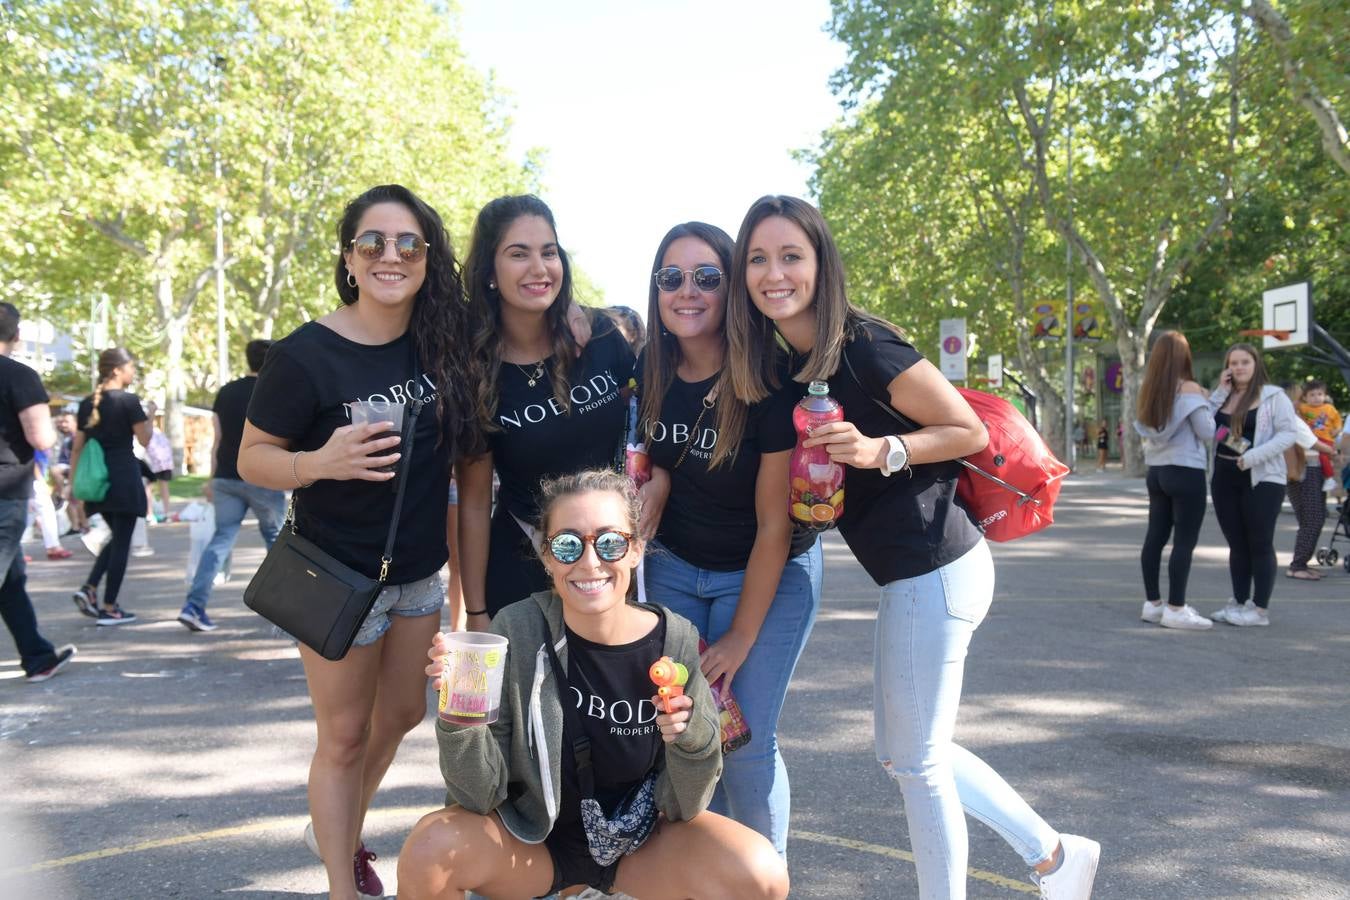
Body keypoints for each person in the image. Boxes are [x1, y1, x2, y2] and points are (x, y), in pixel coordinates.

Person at [724, 195, 1099, 898]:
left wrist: (878, 450)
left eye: (791, 256)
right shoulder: (794, 360)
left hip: (940, 567)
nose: (775, 273)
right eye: (758, 259)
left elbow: (967, 430)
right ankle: (1053, 855)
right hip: (910, 575)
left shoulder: (864, 344)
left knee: (918, 761)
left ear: (820, 263)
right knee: (904, 756)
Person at [237, 184, 477, 900]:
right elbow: (253, 457)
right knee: (342, 736)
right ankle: (342, 881)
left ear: (428, 258)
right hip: (338, 574)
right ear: (348, 258)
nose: (390, 256)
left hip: (417, 576)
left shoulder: (443, 347)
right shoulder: (306, 354)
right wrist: (319, 463)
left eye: (408, 243)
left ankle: (334, 829)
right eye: (372, 242)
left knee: (403, 713)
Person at [397, 470, 788, 900]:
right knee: (430, 848)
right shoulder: (519, 630)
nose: (590, 562)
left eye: (610, 542)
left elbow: (685, 805)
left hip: (639, 846)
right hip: (535, 848)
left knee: (760, 874)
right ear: (546, 557)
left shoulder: (673, 641)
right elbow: (477, 795)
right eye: (567, 545)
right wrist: (460, 716)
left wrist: (689, 737)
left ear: (636, 549)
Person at [637, 221, 821, 856]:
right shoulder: (650, 365)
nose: (687, 291)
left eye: (707, 277)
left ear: (730, 288)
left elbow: (775, 525)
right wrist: (658, 476)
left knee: (743, 743)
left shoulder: (767, 376)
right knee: (685, 738)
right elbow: (662, 448)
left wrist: (742, 635)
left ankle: (762, 883)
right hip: (674, 569)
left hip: (764, 572)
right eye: (672, 278)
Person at [457, 195, 634, 628]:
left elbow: (652, 419)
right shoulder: (474, 370)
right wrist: (476, 611)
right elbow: (476, 503)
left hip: (609, 562)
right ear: (490, 272)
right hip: (522, 567)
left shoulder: (601, 335)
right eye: (518, 254)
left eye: (549, 252)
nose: (539, 268)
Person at [176, 339, 287, 632]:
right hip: (264, 477)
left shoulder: (226, 392)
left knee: (220, 540)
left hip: (227, 475)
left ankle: (194, 606)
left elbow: (217, 440)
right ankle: (291, 616)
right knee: (278, 544)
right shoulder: (275, 390)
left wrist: (212, 478)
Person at [0, 303, 78, 682]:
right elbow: (40, 437)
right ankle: (37, 656)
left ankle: (37, 656)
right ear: (15, 336)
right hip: (5, 489)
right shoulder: (19, 376)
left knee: (11, 578)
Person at [1206, 343, 1302, 626]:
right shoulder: (1224, 396)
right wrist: (1220, 392)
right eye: (1233, 363)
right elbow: (1206, 423)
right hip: (1224, 475)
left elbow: (1287, 434)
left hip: (1262, 477)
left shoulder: (1274, 397)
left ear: (1255, 364)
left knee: (1259, 542)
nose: (1238, 368)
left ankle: (1259, 610)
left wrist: (1253, 456)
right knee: (1237, 543)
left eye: (1244, 362)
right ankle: (1238, 602)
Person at [1133, 331, 1213, 629]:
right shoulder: (1190, 388)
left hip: (1157, 471)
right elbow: (1206, 432)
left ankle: (1152, 604)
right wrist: (1209, 402)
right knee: (1184, 541)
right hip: (1186, 469)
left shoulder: (1150, 390)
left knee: (1155, 536)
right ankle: (1176, 608)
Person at [68, 347, 151, 625]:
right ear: (117, 369)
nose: (133, 371)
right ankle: (109, 606)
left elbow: (77, 448)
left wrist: (73, 484)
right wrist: (148, 414)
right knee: (122, 543)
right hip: (123, 478)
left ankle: (89, 589)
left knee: (116, 538)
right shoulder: (128, 401)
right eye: (131, 366)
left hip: (97, 482)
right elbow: (146, 439)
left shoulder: (87, 403)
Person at [1296, 380, 1342, 492]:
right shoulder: (1304, 407)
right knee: (1298, 451)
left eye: (1319, 394)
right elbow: (1295, 409)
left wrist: (1336, 430)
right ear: (1305, 398)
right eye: (1312, 395)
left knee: (1323, 456)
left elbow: (1338, 421)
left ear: (1325, 396)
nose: (1316, 398)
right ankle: (1300, 472)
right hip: (1310, 438)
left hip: (1325, 438)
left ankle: (1329, 478)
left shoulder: (1329, 408)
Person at [141, 401, 174, 521]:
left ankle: (150, 514)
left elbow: (143, 445)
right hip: (164, 461)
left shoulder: (145, 431)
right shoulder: (158, 432)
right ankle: (166, 513)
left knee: (147, 487)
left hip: (152, 461)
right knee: (163, 486)